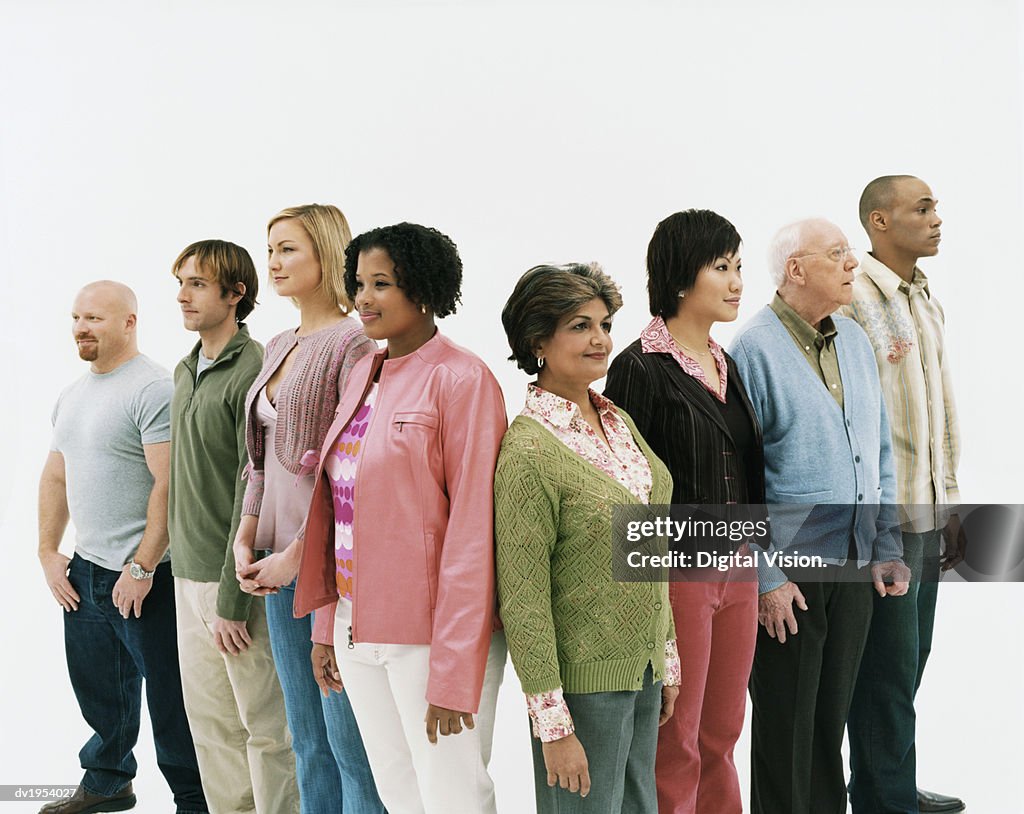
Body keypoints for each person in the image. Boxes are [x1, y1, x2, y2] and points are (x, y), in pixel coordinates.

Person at [271, 221, 509, 814]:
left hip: (429, 636)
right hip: (357, 624)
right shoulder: (362, 372)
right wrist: (326, 625)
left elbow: (474, 533)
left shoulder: (463, 379)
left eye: (382, 284)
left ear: (423, 290)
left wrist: (455, 669)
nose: (364, 299)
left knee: (454, 795)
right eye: (359, 284)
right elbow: (335, 507)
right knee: (398, 792)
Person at [729, 218, 910, 814]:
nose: (852, 263)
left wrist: (885, 541)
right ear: (796, 270)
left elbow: (879, 449)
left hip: (853, 563)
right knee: (786, 727)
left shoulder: (854, 339)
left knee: (828, 726)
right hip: (790, 572)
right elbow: (741, 482)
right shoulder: (752, 349)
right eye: (837, 254)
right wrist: (765, 577)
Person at [496, 262, 681, 814]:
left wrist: (665, 658)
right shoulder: (528, 451)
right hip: (582, 686)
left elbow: (652, 545)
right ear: (538, 342)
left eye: (603, 323)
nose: (600, 339)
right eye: (579, 326)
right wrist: (552, 726)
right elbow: (523, 598)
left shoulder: (617, 422)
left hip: (641, 669)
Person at [604, 210, 762, 814]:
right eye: (720, 267)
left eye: (738, 267)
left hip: (739, 569)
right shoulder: (637, 367)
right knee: (678, 735)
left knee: (722, 733)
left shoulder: (728, 363)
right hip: (678, 576)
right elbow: (623, 485)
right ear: (678, 278)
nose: (735, 281)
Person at [231, 205, 383, 814]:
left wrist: (299, 554)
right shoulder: (277, 344)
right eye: (270, 248)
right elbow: (260, 459)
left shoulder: (357, 343)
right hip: (274, 556)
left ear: (327, 253)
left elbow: (349, 465)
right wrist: (246, 538)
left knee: (349, 739)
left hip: (329, 565)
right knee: (305, 737)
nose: (273, 261)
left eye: (288, 248)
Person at [38, 281, 207, 814]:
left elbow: (171, 483)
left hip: (147, 575)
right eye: (77, 317)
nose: (82, 328)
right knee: (100, 689)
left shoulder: (154, 388)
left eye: (95, 318)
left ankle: (194, 800)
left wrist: (142, 564)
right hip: (86, 569)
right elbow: (56, 477)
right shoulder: (73, 393)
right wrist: (48, 552)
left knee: (170, 697)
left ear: (129, 322)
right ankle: (109, 783)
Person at [841, 176, 964, 814]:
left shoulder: (926, 300)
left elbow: (935, 409)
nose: (937, 218)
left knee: (909, 662)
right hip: (883, 518)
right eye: (923, 208)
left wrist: (949, 506)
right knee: (886, 670)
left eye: (935, 207)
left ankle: (885, 783)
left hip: (928, 510)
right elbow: (852, 416)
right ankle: (885, 800)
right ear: (879, 222)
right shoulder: (852, 296)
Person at [168, 240, 299, 813]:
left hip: (235, 583)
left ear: (235, 293)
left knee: (268, 732)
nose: (183, 295)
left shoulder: (253, 369)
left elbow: (253, 483)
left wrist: (231, 596)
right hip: (184, 577)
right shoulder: (183, 367)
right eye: (182, 282)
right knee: (213, 733)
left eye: (197, 283)